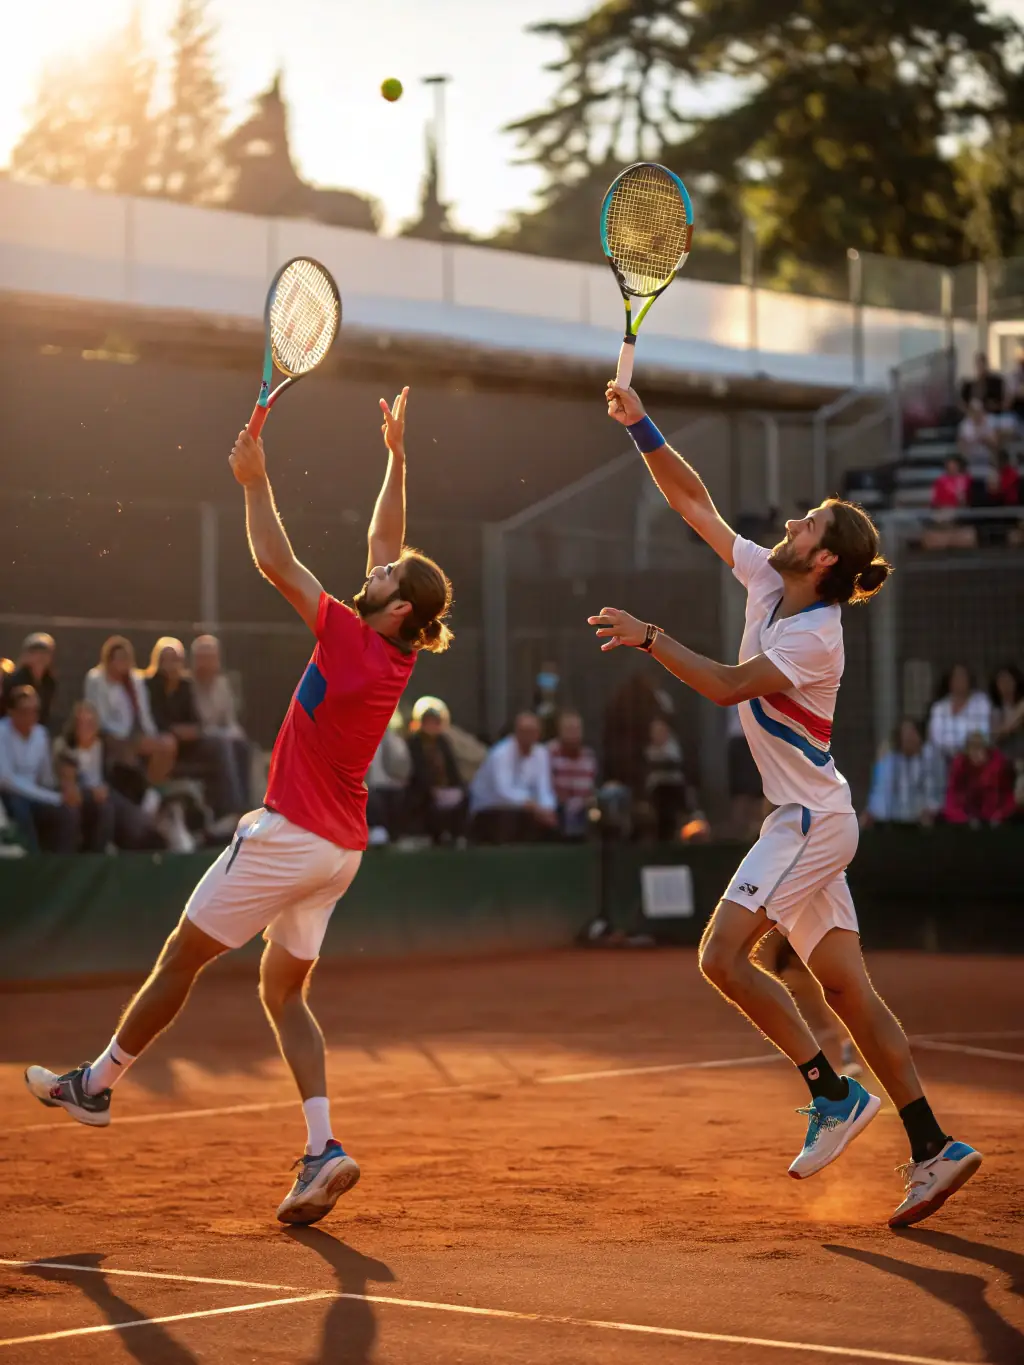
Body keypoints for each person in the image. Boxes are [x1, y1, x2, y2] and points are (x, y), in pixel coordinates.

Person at [26, 386, 454, 1228]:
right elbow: (388, 540)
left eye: (383, 577)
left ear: (398, 606)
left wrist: (254, 480)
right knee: (283, 991)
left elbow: (274, 562)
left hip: (291, 833)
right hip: (339, 853)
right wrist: (397, 459)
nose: (370, 568)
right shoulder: (395, 650)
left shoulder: (347, 634)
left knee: (179, 958)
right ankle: (323, 1147)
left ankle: (97, 1084)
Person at [589, 378, 981, 1229]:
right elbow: (695, 504)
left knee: (722, 957)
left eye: (810, 525)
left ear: (827, 561)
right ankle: (933, 1147)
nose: (793, 524)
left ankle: (832, 1091)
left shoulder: (814, 634)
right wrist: (640, 424)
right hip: (807, 815)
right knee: (847, 991)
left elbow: (730, 687)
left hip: (809, 821)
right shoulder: (770, 577)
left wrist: (650, 636)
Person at [144, 636, 241, 821]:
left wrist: (192, 730)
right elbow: (153, 719)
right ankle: (229, 808)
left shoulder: (185, 686)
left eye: (176, 660)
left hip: (190, 742)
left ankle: (241, 808)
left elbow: (195, 720)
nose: (172, 664)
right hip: (167, 744)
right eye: (167, 659)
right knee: (221, 746)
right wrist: (175, 730)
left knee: (236, 746)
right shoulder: (150, 686)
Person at [53, 701, 165, 852]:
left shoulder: (106, 745)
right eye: (82, 724)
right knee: (106, 806)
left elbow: (127, 763)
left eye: (90, 723)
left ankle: (148, 843)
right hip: (80, 797)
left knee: (133, 815)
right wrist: (92, 792)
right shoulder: (65, 748)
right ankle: (100, 853)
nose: (87, 728)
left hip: (107, 793)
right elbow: (68, 786)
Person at [84, 636, 177, 796]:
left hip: (137, 733)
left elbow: (144, 711)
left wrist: (152, 734)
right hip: (113, 734)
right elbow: (98, 714)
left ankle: (153, 788)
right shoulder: (97, 680)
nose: (123, 662)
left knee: (168, 744)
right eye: (118, 658)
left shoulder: (136, 680)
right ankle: (146, 793)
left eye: (126, 657)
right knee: (130, 753)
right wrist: (121, 737)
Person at [0, 685, 79, 852]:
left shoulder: (41, 735)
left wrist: (65, 787)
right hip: (9, 797)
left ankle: (61, 867)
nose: (31, 716)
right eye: (25, 711)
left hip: (39, 797)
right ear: (11, 712)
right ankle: (32, 863)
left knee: (68, 811)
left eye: (35, 711)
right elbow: (6, 781)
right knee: (19, 805)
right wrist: (54, 798)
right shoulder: (1, 733)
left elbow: (46, 779)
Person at [469, 711, 558, 843]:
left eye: (532, 731)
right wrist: (533, 807)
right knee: (513, 819)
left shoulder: (542, 753)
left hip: (527, 810)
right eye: (524, 731)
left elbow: (544, 788)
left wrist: (547, 809)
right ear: (516, 731)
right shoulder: (500, 753)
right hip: (490, 809)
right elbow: (504, 791)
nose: (528, 735)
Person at [190, 634, 252, 812]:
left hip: (220, 736)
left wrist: (236, 734)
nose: (207, 662)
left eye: (211, 657)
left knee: (242, 746)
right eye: (202, 657)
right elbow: (198, 724)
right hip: (200, 740)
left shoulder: (222, 684)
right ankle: (232, 808)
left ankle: (248, 807)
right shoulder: (188, 685)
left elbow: (229, 720)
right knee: (224, 745)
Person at [861, 718, 945, 827]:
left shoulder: (931, 759)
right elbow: (880, 794)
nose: (907, 738)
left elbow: (937, 794)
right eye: (904, 734)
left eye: (911, 733)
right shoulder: (889, 761)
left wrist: (930, 810)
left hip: (923, 824)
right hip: (894, 823)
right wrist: (872, 812)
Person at [407, 705, 467, 844]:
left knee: (464, 797)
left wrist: (457, 786)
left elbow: (452, 767)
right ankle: (435, 836)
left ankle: (458, 836)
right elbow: (417, 769)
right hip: (424, 788)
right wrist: (431, 788)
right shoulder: (415, 743)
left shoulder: (443, 742)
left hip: (446, 787)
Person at [943, 732, 1016, 826]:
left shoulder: (998, 766)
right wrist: (964, 819)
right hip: (966, 823)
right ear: (966, 751)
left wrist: (1000, 815)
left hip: (996, 822)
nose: (976, 753)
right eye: (972, 748)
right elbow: (951, 799)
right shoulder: (960, 767)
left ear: (987, 750)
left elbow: (1008, 796)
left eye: (979, 748)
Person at [547, 710, 598, 839]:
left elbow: (592, 787)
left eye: (577, 729)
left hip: (584, 808)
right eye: (569, 729)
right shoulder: (549, 753)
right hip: (558, 807)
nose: (573, 733)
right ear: (560, 731)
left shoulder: (589, 756)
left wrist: (587, 800)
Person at [927, 665, 992, 763]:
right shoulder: (939, 707)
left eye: (963, 677)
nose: (959, 681)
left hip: (972, 758)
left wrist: (963, 749)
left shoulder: (981, 702)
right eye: (956, 678)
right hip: (942, 759)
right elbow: (936, 738)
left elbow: (982, 733)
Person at [0, 633, 58, 730]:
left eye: (45, 652)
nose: (41, 657)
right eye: (35, 652)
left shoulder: (49, 682)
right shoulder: (13, 680)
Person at [990, 664, 1024, 765]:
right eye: (1001, 682)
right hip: (1004, 762)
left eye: (1008, 681)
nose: (1005, 685)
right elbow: (995, 736)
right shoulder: (996, 710)